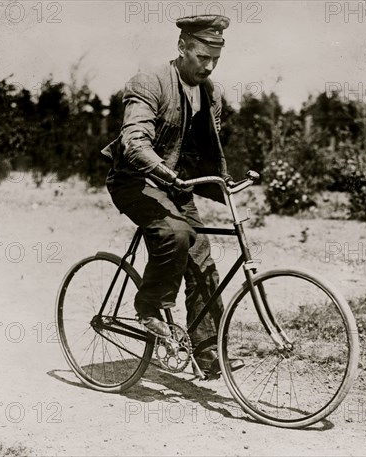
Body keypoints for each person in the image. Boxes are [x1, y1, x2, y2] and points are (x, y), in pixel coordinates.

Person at [101, 15, 243, 378]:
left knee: (202, 259)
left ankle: (208, 353)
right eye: (201, 58)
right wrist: (163, 171)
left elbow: (199, 147)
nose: (208, 67)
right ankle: (149, 306)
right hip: (134, 181)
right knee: (176, 234)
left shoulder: (212, 93)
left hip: (175, 185)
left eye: (215, 60)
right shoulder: (148, 83)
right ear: (182, 48)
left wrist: (220, 181)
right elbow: (134, 142)